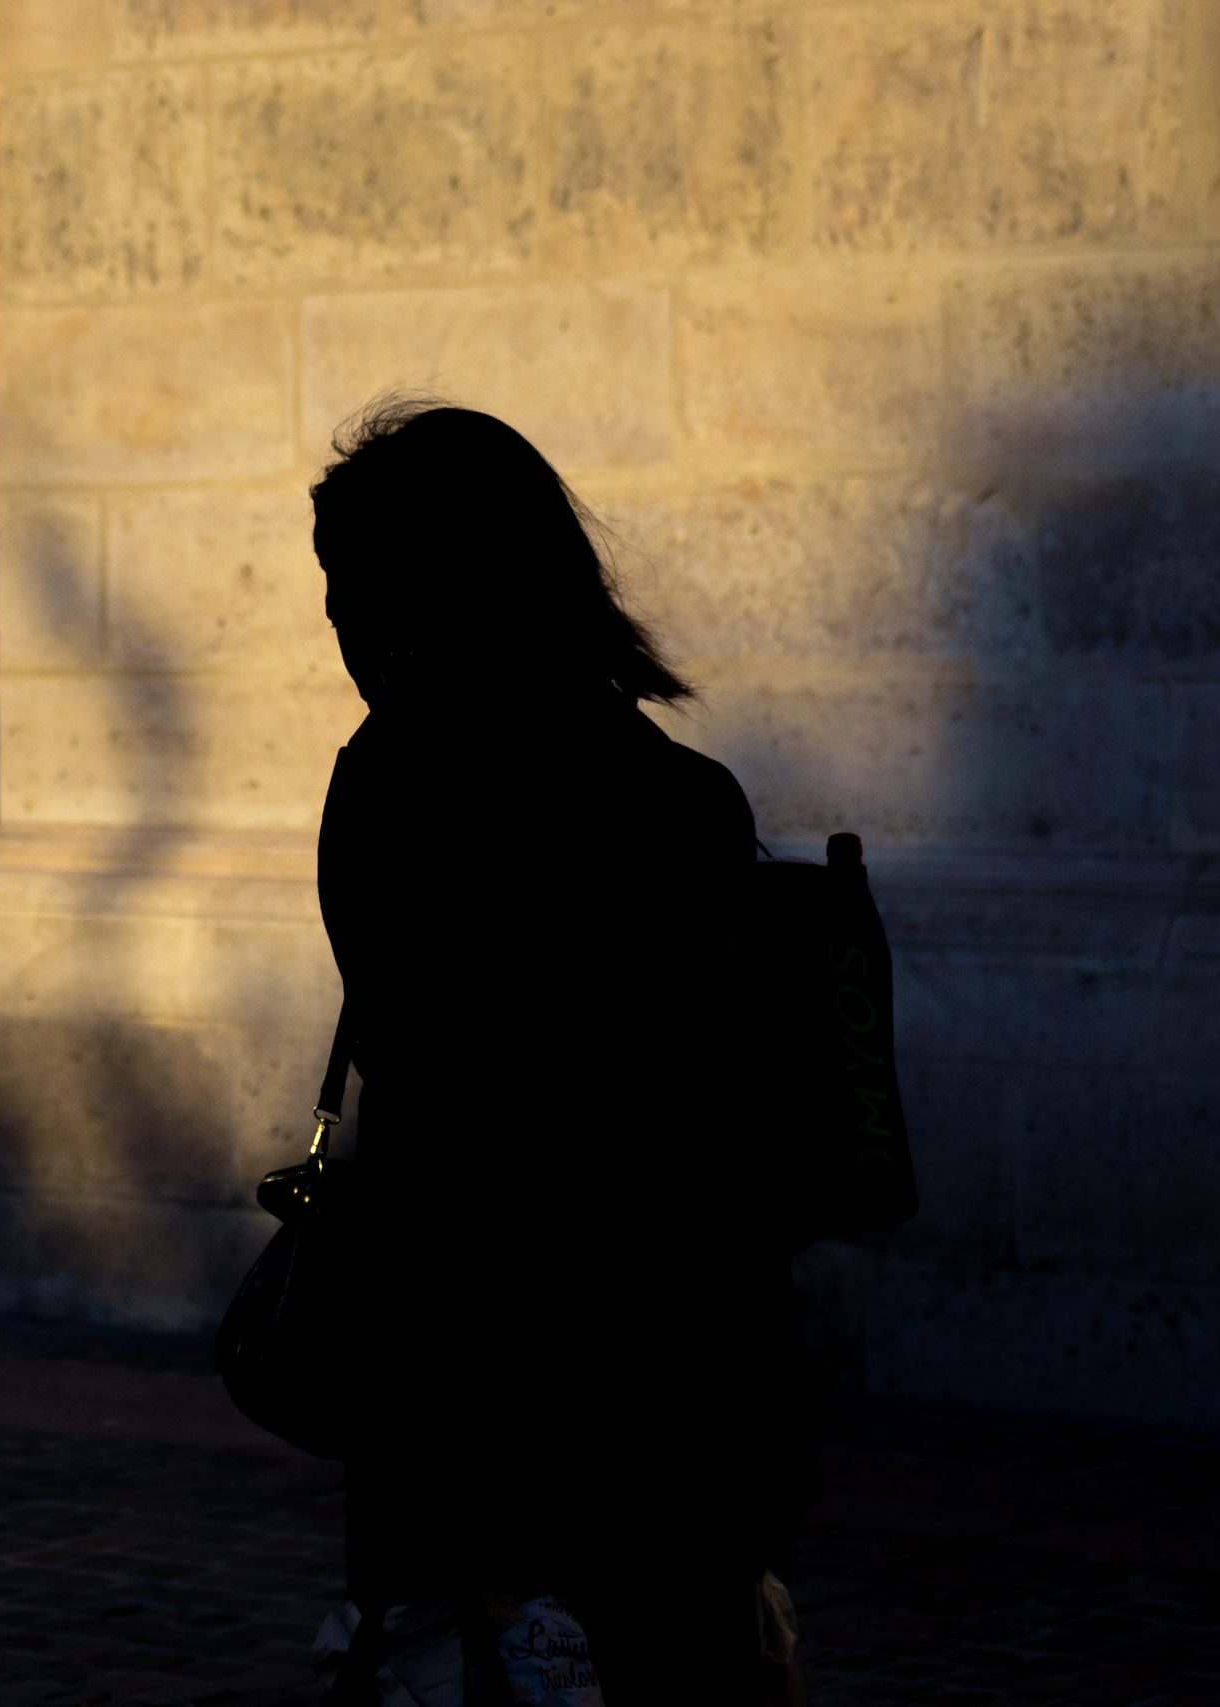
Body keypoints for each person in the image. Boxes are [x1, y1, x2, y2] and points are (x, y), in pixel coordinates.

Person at [310, 399, 821, 1702]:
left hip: (478, 1365)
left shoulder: (391, 784)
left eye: (351, 584)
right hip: (668, 1356)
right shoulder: (682, 797)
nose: (336, 624)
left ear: (432, 591)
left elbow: (431, 1055)